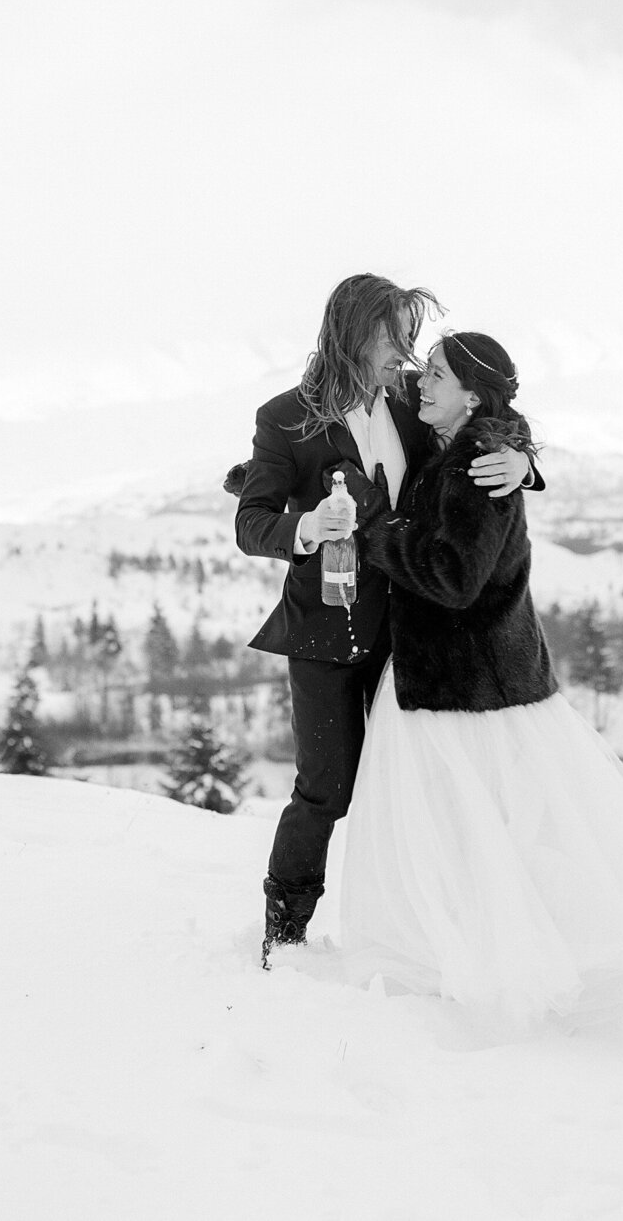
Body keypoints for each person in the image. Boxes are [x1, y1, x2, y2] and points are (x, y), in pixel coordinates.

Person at [330, 330, 623, 1038]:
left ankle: (519, 964)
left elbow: (454, 578)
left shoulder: (474, 461)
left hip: (471, 692)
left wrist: (376, 528)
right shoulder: (467, 442)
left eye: (434, 373)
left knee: (495, 835)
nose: (416, 380)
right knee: (483, 832)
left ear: (471, 395)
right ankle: (475, 952)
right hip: (458, 683)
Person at [231, 277, 541, 966]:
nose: (405, 351)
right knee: (326, 789)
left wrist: (521, 462)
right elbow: (251, 521)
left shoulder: (409, 403)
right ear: (353, 332)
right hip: (325, 629)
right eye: (392, 333)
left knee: (409, 791)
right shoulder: (284, 417)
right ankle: (284, 933)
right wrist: (305, 525)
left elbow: (477, 427)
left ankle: (421, 934)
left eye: (409, 335)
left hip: (409, 636)